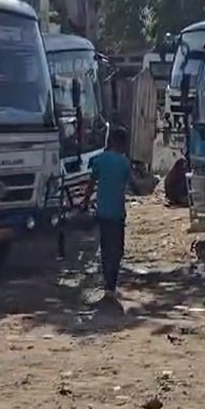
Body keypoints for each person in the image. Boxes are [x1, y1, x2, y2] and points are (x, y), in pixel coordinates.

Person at [89, 125, 133, 303]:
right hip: (117, 214)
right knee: (118, 250)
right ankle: (111, 285)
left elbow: (90, 184)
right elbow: (133, 184)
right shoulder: (124, 163)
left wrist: (85, 204)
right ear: (120, 143)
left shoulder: (99, 160)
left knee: (106, 248)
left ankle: (108, 285)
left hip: (102, 212)